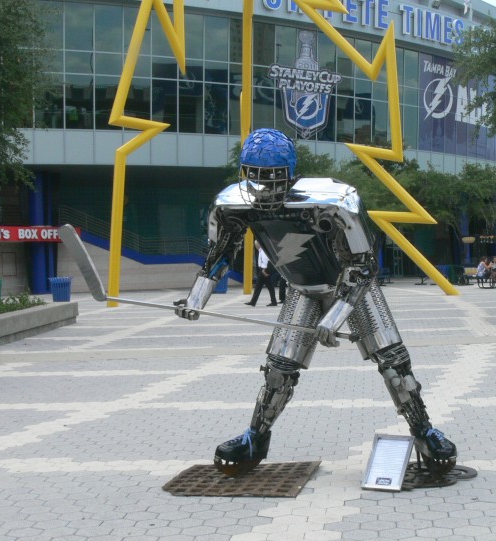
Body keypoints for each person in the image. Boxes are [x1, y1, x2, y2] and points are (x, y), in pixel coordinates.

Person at [174, 128, 456, 477]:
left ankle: (424, 431)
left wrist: (335, 316)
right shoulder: (233, 204)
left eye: (271, 177)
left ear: (288, 174)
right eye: (256, 177)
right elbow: (219, 254)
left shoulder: (334, 200)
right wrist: (196, 300)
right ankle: (256, 437)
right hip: (302, 287)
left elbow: (362, 266)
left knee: (394, 364)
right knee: (278, 370)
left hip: (352, 288)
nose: (263, 188)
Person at [246, 241, 278, 306]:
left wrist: (264, 270)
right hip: (264, 269)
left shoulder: (263, 251)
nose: (255, 246)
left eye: (256, 244)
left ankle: (253, 302)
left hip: (264, 270)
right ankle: (274, 301)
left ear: (259, 245)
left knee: (258, 286)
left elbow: (265, 260)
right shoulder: (261, 251)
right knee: (269, 286)